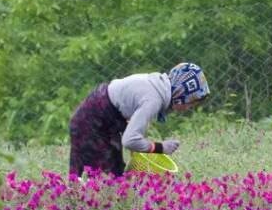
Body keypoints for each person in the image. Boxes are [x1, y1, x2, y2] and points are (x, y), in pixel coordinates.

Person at [69, 62, 210, 178]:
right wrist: (160, 148)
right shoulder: (154, 99)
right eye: (190, 103)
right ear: (181, 93)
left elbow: (127, 108)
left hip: (98, 116)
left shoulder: (156, 85)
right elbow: (130, 140)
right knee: (104, 180)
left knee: (113, 171)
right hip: (93, 123)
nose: (188, 108)